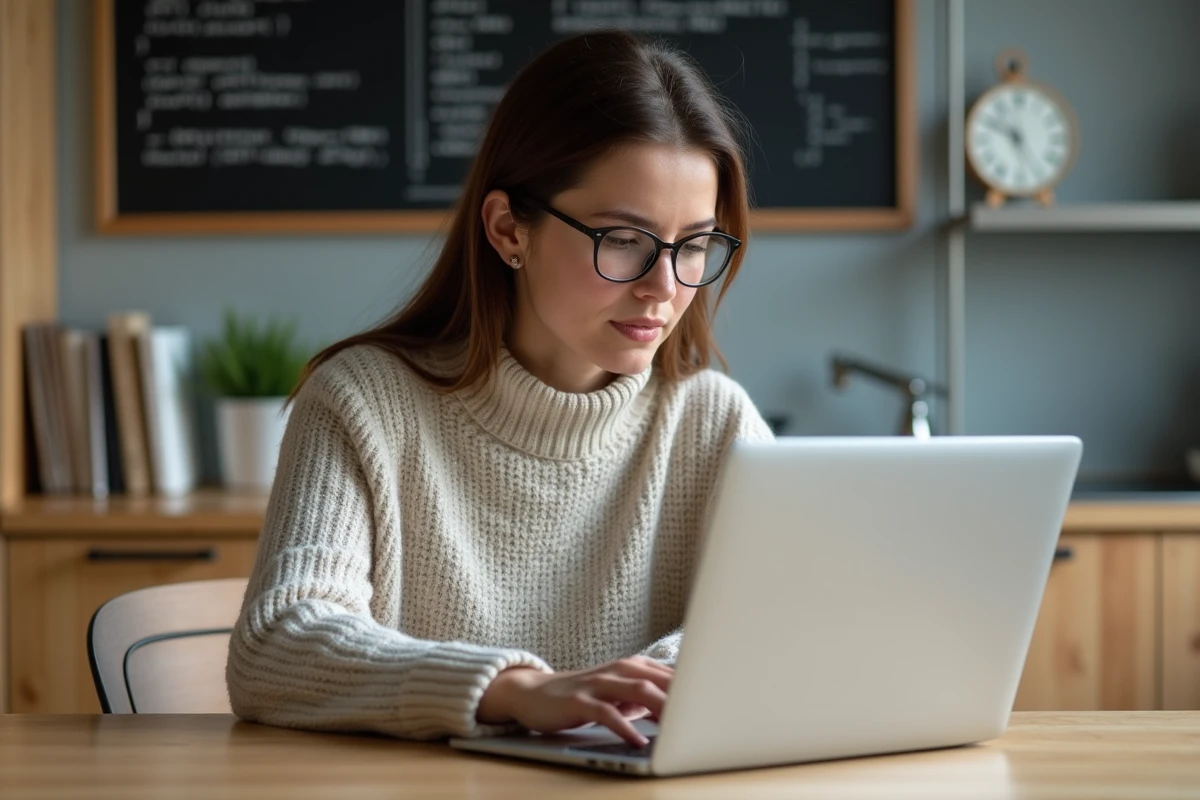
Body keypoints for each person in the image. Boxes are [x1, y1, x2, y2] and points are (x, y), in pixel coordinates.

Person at [225, 28, 772, 748]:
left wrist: (657, 683)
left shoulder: (711, 419)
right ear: (510, 228)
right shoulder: (362, 403)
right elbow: (277, 647)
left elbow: (787, 618)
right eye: (624, 240)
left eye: (695, 244)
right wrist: (513, 691)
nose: (664, 289)